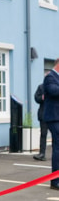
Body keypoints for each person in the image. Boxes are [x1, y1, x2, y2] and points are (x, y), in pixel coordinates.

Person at [43, 58, 59, 190]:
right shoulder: (50, 77)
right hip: (54, 118)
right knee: (58, 147)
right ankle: (55, 181)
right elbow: (54, 92)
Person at [33, 81, 48, 161]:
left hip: (55, 115)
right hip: (44, 115)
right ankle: (42, 154)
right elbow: (36, 98)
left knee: (56, 135)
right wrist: (41, 98)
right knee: (43, 134)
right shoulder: (41, 87)